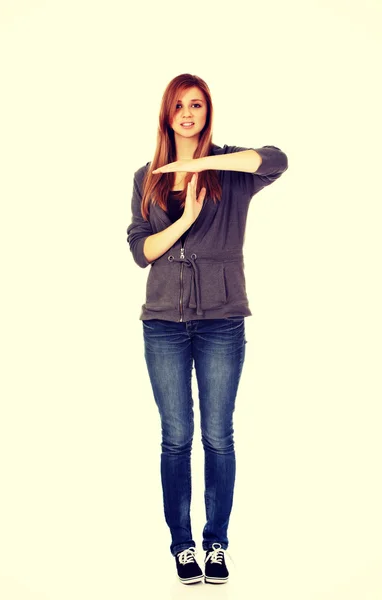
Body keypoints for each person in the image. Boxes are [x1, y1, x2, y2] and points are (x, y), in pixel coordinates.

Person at [126, 73, 288, 585]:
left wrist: (201, 162)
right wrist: (183, 218)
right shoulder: (145, 177)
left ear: (206, 110)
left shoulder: (231, 169)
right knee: (176, 438)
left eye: (196, 104)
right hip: (163, 326)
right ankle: (182, 545)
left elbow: (277, 158)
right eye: (179, 105)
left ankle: (216, 543)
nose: (188, 114)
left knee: (219, 436)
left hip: (221, 320)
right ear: (166, 114)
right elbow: (140, 251)